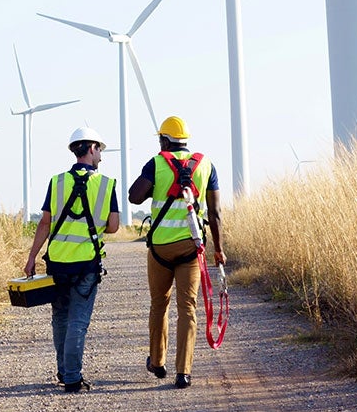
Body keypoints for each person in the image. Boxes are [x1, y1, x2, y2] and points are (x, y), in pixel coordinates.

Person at [21, 127, 122, 393]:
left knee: (61, 319)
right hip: (86, 264)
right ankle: (73, 378)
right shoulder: (106, 184)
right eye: (99, 149)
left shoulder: (56, 182)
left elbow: (44, 223)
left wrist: (31, 257)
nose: (101, 154)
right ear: (91, 149)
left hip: (57, 262)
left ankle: (65, 372)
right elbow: (113, 227)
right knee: (78, 321)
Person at [128, 115, 223, 389]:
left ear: (163, 140)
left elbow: (135, 196)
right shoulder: (206, 165)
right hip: (191, 249)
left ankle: (157, 362)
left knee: (159, 304)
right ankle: (184, 372)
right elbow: (215, 213)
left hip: (160, 248)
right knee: (188, 308)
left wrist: (156, 181)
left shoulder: (156, 163)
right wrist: (219, 250)